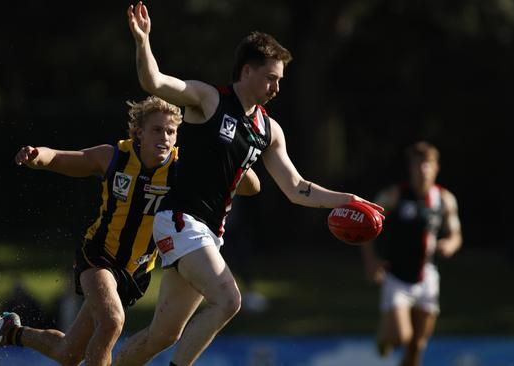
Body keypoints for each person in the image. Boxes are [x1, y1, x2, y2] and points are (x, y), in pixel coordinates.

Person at [114, 3, 384, 366]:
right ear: (246, 71)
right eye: (271, 77)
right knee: (228, 300)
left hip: (208, 234)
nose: (276, 87)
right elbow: (155, 82)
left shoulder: (268, 131)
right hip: (179, 221)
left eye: (280, 80)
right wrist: (143, 41)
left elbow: (296, 187)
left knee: (163, 335)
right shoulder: (209, 100)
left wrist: (347, 198)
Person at [0, 95, 261, 366]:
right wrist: (36, 155)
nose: (165, 138)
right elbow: (65, 159)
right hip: (99, 257)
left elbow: (249, 187)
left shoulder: (184, 166)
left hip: (135, 273)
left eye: (171, 132)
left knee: (68, 352)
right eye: (157, 130)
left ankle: (11, 331)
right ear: (139, 132)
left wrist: (224, 156)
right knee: (112, 321)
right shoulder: (115, 157)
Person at [361, 141, 462, 366]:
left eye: (428, 164)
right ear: (411, 168)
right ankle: (385, 336)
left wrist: (450, 245)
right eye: (419, 165)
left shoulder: (444, 199)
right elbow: (366, 223)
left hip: (427, 276)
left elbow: (456, 235)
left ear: (436, 168)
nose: (423, 170)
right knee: (402, 336)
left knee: (418, 344)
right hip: (397, 276)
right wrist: (372, 261)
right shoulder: (395, 195)